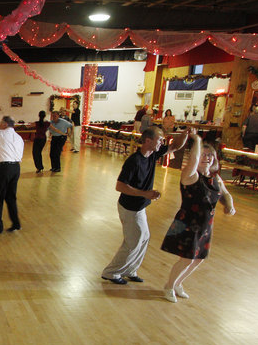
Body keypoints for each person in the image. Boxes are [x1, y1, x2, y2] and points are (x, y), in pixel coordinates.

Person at [100, 127, 189, 285]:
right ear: (148, 141)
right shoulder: (133, 161)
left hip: (139, 207)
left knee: (144, 238)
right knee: (133, 241)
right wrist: (144, 193)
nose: (162, 142)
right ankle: (111, 272)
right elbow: (120, 186)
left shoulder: (153, 154)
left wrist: (186, 133)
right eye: (159, 139)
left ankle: (130, 270)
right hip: (129, 208)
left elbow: (175, 146)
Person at [160, 132, 235, 303]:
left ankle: (178, 284)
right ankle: (169, 286)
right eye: (202, 155)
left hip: (205, 226)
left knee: (198, 259)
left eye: (209, 155)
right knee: (187, 259)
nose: (206, 158)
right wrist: (198, 141)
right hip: (188, 224)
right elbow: (193, 161)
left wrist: (230, 206)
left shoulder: (215, 178)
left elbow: (225, 194)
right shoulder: (191, 175)